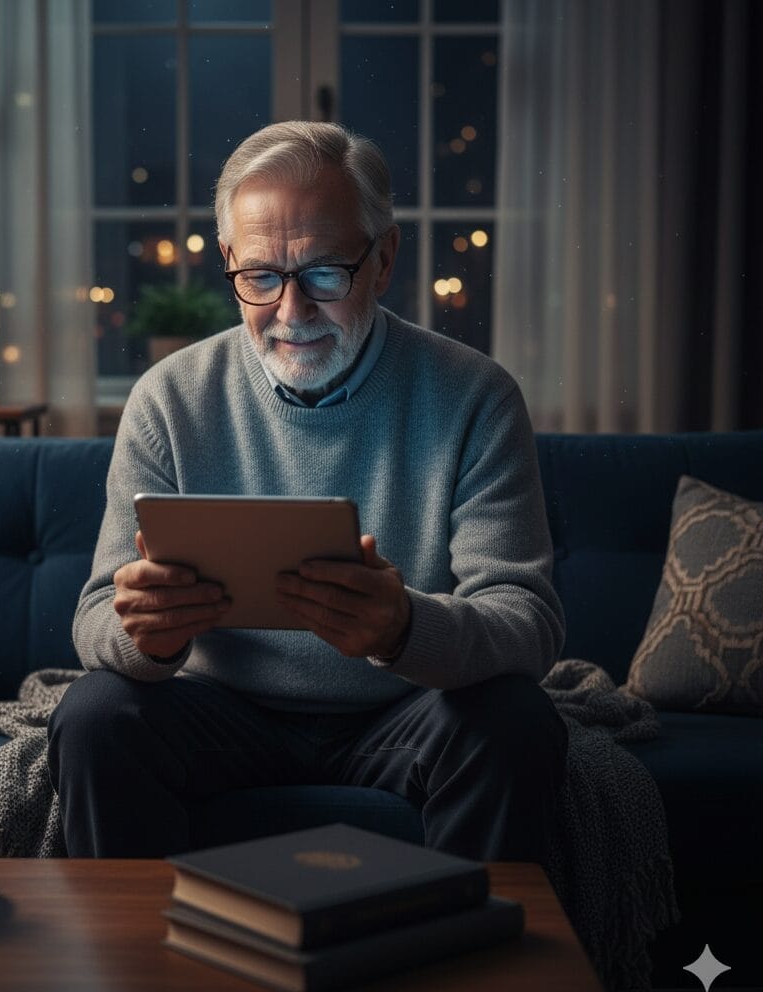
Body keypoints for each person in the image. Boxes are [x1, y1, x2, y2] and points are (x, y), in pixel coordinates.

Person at [48, 121, 568, 865]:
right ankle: (139, 948)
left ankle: (465, 940)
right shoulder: (168, 399)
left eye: (325, 273)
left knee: (516, 720)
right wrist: (148, 637)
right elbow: (98, 617)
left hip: (405, 714)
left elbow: (528, 623)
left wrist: (404, 629)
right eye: (261, 277)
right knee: (96, 714)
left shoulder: (475, 397)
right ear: (228, 261)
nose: (292, 313)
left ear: (383, 259)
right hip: (219, 713)